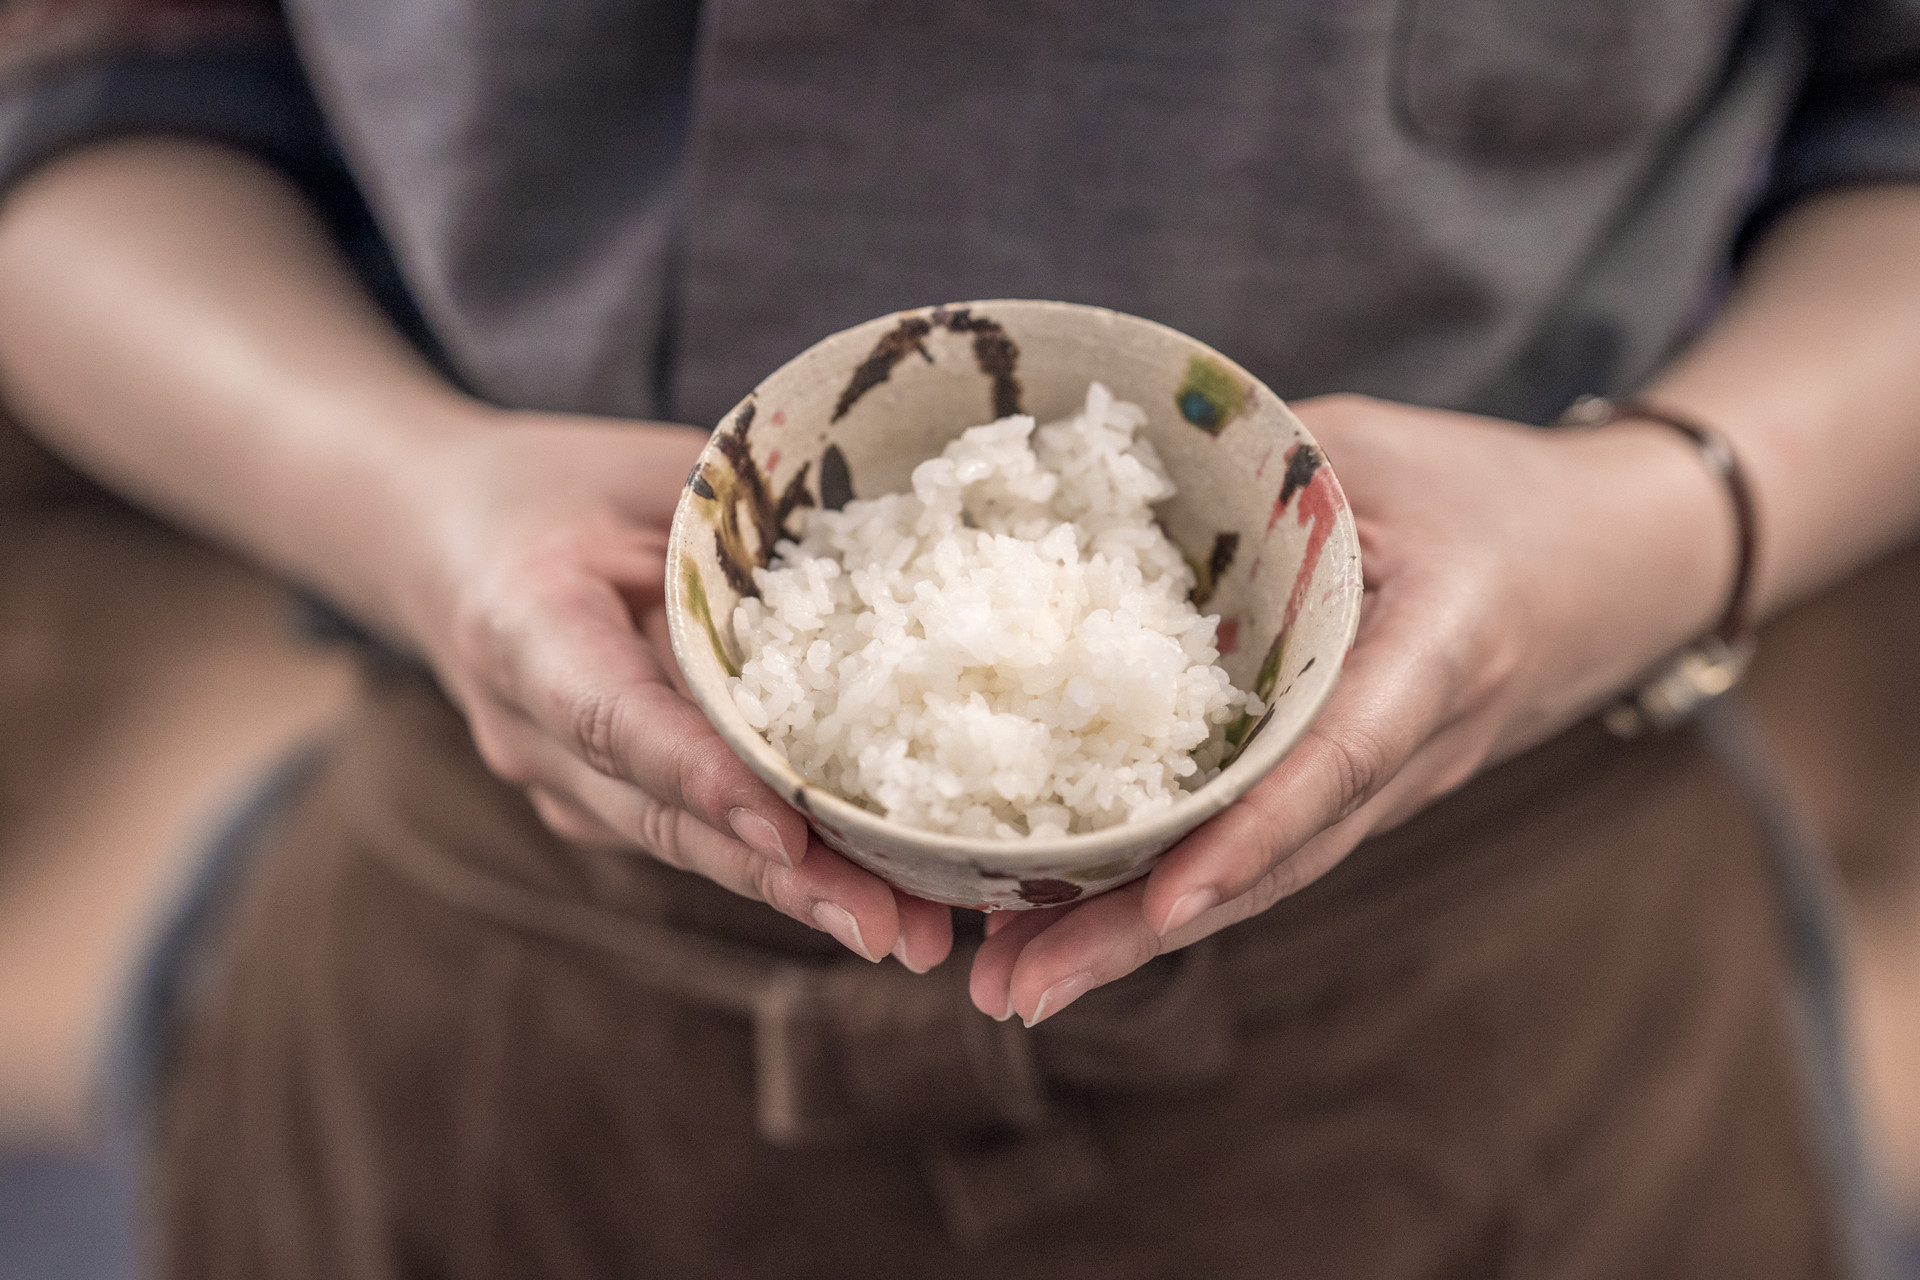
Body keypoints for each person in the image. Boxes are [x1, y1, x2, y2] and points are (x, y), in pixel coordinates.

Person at [2, 0, 1919, 1274]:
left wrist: (1677, 516)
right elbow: (88, 103)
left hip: (1508, 1021)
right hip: (509, 1024)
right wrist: (397, 494)